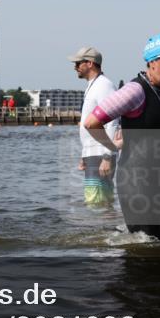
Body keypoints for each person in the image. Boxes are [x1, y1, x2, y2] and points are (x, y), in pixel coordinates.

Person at [84, 34, 160, 240]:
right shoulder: (134, 91)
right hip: (137, 182)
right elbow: (91, 123)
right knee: (145, 248)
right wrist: (110, 149)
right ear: (152, 62)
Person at [69, 46, 120, 207]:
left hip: (100, 153)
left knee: (97, 202)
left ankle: (108, 232)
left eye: (78, 63)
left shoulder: (104, 85)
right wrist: (85, 155)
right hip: (93, 153)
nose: (75, 67)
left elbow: (112, 121)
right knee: (99, 201)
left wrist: (107, 156)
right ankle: (107, 231)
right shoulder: (93, 85)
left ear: (90, 63)